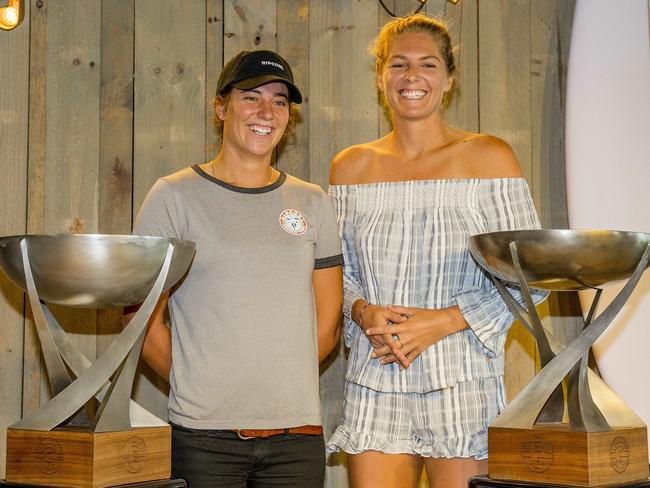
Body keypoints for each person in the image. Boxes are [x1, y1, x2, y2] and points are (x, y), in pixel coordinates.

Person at [326, 14, 547, 488]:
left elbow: (533, 275)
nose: (412, 77)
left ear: (448, 79)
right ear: (381, 76)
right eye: (398, 64)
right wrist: (362, 311)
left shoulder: (490, 157)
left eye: (427, 65)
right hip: (376, 374)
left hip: (462, 377)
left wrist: (442, 321)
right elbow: (334, 272)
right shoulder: (350, 167)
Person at [129, 49, 343, 487]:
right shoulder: (173, 196)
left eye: (280, 101)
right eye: (252, 96)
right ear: (221, 107)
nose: (267, 111)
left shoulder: (313, 202)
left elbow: (328, 323)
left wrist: (275, 385)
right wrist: (199, 383)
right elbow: (140, 318)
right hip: (203, 442)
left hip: (296, 441)